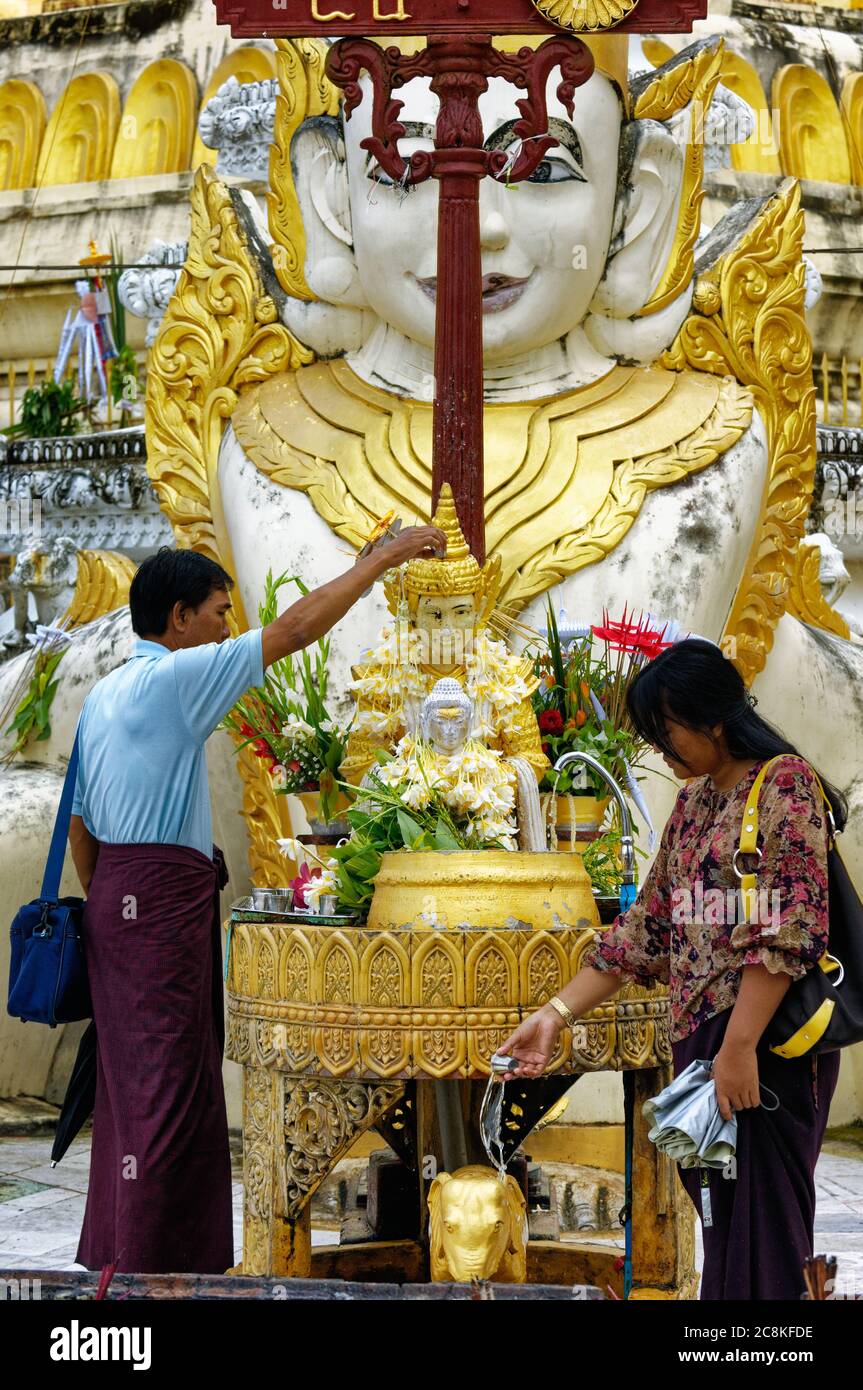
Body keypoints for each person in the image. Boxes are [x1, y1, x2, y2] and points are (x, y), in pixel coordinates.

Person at [68, 526, 445, 1274]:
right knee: (169, 1091)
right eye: (215, 611)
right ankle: (149, 1270)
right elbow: (294, 630)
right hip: (154, 904)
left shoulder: (105, 693)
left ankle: (137, 1253)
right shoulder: (173, 680)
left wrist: (121, 901)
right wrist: (377, 564)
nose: (224, 627)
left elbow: (81, 828)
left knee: (136, 1088)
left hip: (119, 897)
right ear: (178, 620)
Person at [497, 638, 847, 1301]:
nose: (661, 753)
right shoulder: (691, 805)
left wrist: (738, 1048)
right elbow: (645, 929)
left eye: (667, 733)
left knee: (762, 1231)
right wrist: (554, 1014)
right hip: (700, 1047)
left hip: (761, 1043)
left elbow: (790, 928)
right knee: (723, 1227)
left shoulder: (782, 783)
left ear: (713, 718)